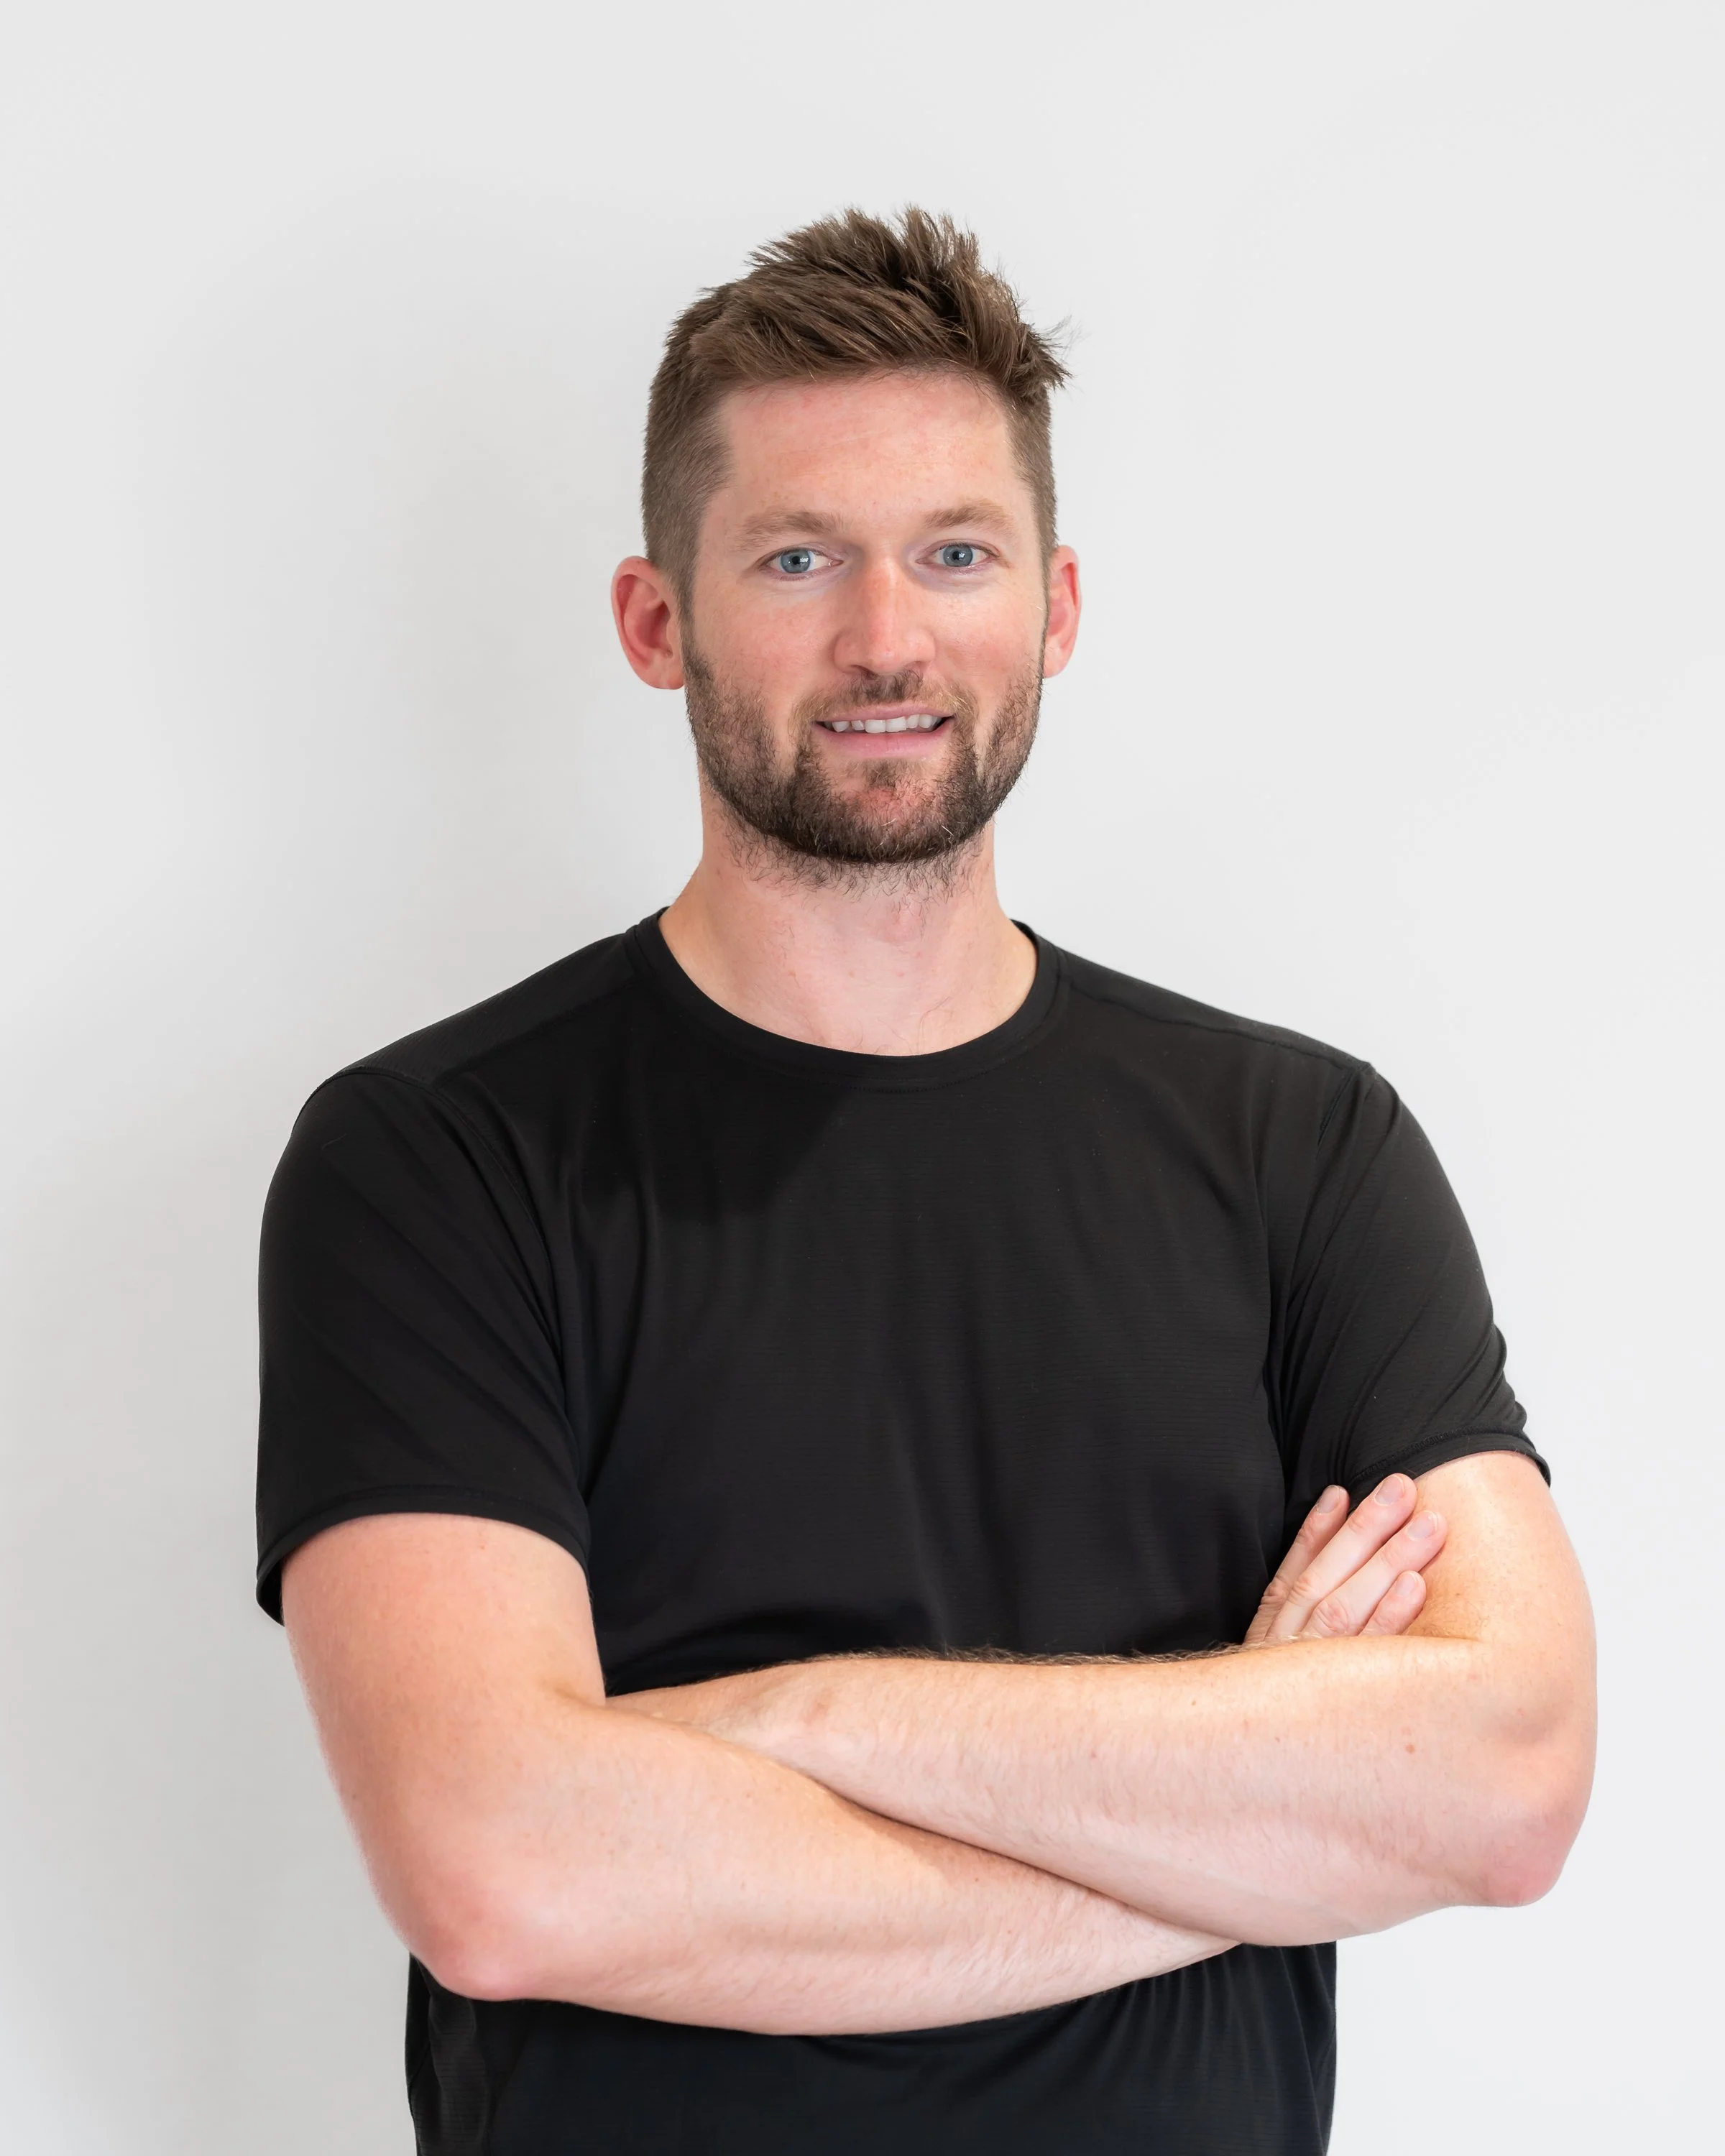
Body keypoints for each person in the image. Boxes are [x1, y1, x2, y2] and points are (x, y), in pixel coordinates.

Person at [255, 208, 1595, 2155]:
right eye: (798, 557)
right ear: (658, 621)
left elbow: (1507, 1780)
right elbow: (504, 1872)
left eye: (955, 553)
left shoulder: (1304, 1149)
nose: (887, 635)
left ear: (1054, 606)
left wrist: (787, 1727)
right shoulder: (441, 1159)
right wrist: (1247, 1803)